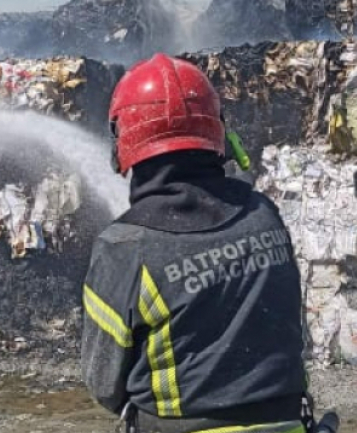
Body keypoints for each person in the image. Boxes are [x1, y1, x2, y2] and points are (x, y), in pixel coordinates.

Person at [81, 53, 310, 433]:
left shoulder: (124, 246)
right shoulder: (263, 214)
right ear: (217, 131)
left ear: (124, 143)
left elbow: (103, 382)